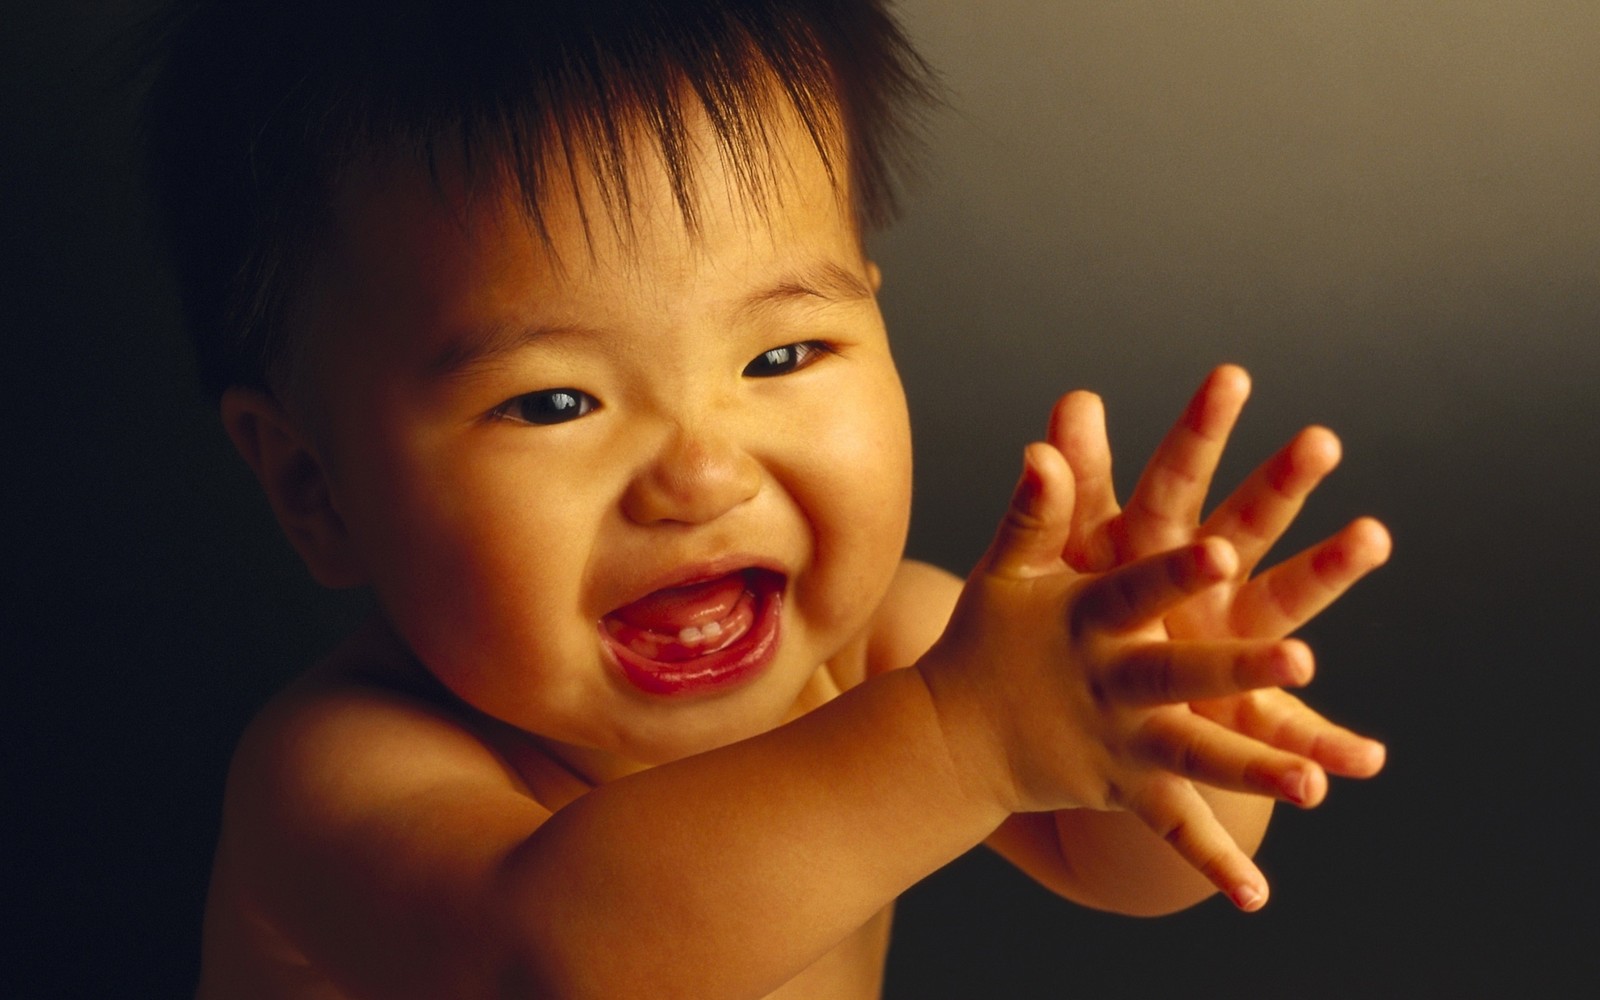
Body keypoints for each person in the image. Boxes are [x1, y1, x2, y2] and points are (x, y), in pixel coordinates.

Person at [143, 2, 1391, 997]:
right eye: (552, 402)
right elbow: (553, 959)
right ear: (315, 487)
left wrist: (1158, 711)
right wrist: (964, 738)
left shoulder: (888, 648)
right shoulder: (337, 775)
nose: (702, 474)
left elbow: (1128, 864)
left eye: (781, 357)